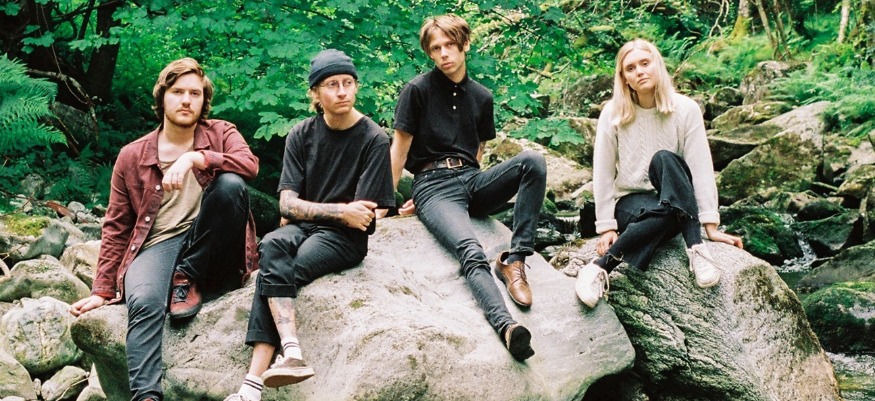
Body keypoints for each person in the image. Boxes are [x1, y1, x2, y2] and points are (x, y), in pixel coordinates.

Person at [69, 57, 260, 401]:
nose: (186, 100)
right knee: (143, 301)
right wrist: (102, 290)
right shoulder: (132, 155)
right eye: (178, 92)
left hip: (212, 242)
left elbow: (249, 165)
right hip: (159, 245)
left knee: (231, 185)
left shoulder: (221, 133)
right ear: (162, 97)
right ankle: (146, 395)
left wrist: (195, 158)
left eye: (195, 93)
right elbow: (117, 226)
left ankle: (189, 275)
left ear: (204, 100)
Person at [224, 49, 394, 401]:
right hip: (310, 227)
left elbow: (361, 217)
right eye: (332, 85)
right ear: (315, 93)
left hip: (344, 240)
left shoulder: (374, 139)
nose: (342, 91)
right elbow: (286, 204)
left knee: (276, 272)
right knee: (272, 244)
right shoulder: (301, 134)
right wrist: (339, 210)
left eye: (348, 83)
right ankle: (291, 350)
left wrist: (312, 211)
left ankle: (252, 385)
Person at [390, 14, 547, 362]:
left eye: (450, 45)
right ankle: (507, 327)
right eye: (436, 48)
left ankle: (515, 260)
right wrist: (389, 201)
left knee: (532, 162)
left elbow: (478, 149)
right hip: (433, 186)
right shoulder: (417, 90)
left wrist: (472, 182)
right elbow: (399, 149)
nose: (443, 54)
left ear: (465, 45)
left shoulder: (482, 96)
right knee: (471, 250)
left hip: (473, 180)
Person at [575, 39, 744, 308]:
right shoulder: (613, 113)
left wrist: (710, 223)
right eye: (631, 68)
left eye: (645, 63)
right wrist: (606, 226)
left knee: (665, 159)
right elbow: (603, 172)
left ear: (658, 66)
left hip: (675, 196)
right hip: (632, 201)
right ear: (624, 78)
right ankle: (599, 267)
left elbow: (700, 167)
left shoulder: (686, 109)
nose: (639, 71)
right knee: (668, 214)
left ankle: (695, 248)